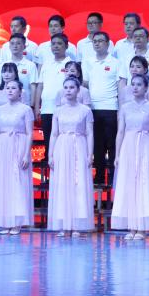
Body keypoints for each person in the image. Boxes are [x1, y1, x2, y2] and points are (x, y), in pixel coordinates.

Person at [111, 74, 149, 239]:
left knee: (144, 183)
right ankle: (131, 227)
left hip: (145, 144)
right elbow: (120, 131)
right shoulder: (125, 107)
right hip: (128, 145)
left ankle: (142, 227)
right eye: (133, 84)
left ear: (146, 88)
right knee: (129, 183)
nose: (135, 87)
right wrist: (117, 154)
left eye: (139, 84)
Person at [47, 76, 95, 237]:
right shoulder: (58, 111)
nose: (68, 90)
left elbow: (89, 133)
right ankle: (64, 224)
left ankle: (77, 225)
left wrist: (90, 153)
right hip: (62, 147)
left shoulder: (85, 110)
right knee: (63, 183)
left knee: (78, 183)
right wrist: (50, 154)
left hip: (79, 146)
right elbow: (54, 133)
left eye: (72, 87)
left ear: (78, 90)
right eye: (66, 87)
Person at [0, 79, 35, 234]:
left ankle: (17, 222)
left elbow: (29, 133)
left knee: (17, 182)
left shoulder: (26, 110)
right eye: (8, 88)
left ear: (20, 92)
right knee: (4, 183)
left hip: (19, 145)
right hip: (2, 147)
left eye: (13, 88)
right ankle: (6, 221)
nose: (10, 90)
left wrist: (26, 154)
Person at [83, 30, 121, 185]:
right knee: (97, 145)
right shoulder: (88, 62)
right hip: (93, 108)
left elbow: (120, 86)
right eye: (95, 41)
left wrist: (121, 108)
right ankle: (99, 176)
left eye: (100, 41)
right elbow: (85, 84)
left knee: (112, 144)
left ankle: (113, 176)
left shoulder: (116, 63)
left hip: (111, 107)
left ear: (108, 44)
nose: (97, 43)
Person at [33, 33, 71, 146]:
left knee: (63, 141)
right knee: (48, 141)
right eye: (53, 44)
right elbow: (40, 86)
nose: (56, 46)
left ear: (66, 46)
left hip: (65, 109)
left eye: (59, 43)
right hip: (46, 109)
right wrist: (37, 107)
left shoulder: (70, 64)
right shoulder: (46, 64)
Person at [118, 27, 149, 97]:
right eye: (135, 36)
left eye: (141, 36)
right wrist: (122, 98)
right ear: (132, 39)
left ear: (148, 39)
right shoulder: (126, 57)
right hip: (130, 98)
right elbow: (123, 80)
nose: (138, 38)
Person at [0, 33, 38, 105]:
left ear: (24, 46)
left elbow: (33, 87)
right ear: (9, 46)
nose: (15, 46)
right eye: (12, 43)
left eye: (18, 43)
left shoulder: (31, 65)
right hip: (5, 104)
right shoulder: (3, 65)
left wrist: (32, 105)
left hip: (24, 104)